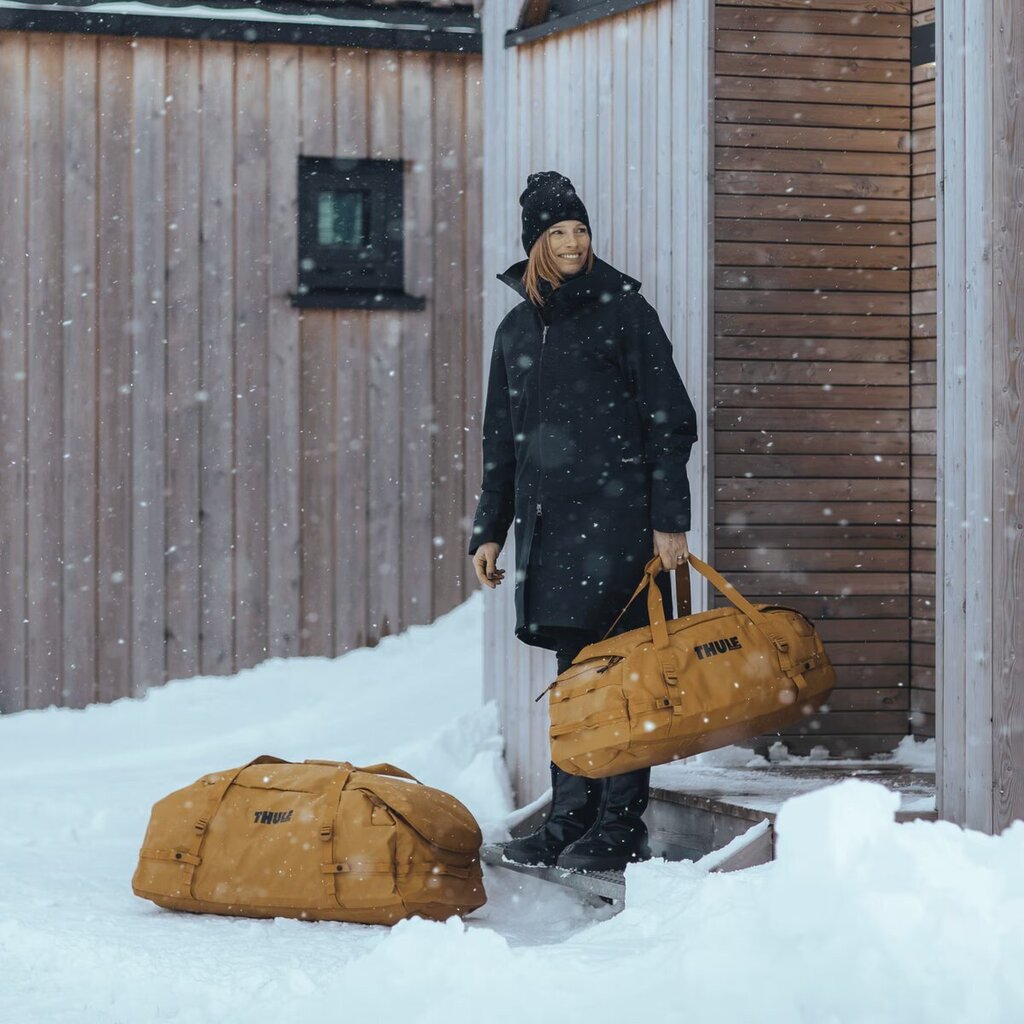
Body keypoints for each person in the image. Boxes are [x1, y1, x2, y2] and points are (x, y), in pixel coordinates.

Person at [467, 171, 699, 872]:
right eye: (558, 232)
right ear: (535, 242)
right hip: (552, 535)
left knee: (625, 676)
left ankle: (619, 824)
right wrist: (489, 528)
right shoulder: (517, 329)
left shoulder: (625, 312)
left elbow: (672, 421)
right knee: (575, 682)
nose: (572, 243)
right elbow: (500, 439)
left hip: (622, 527)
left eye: (580, 230)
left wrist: (669, 522)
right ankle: (571, 817)